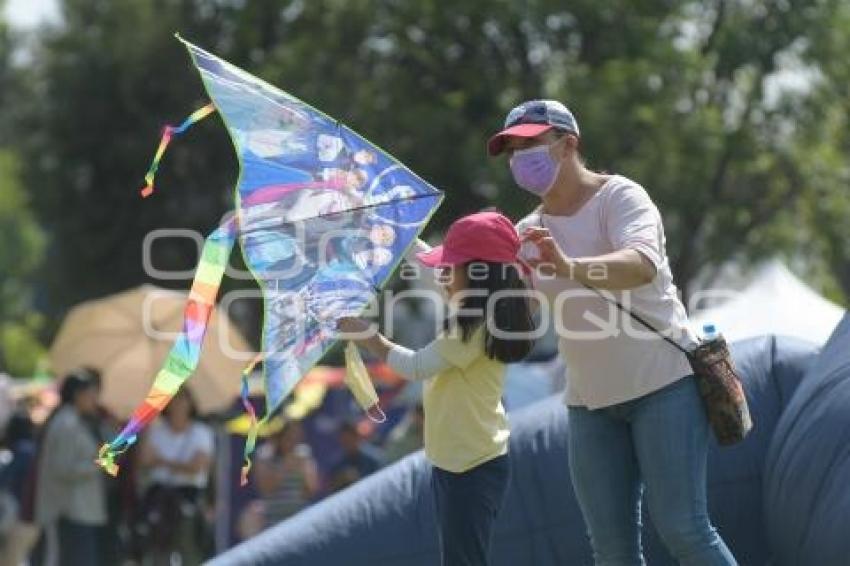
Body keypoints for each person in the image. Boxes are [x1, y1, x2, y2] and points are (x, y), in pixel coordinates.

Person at [488, 99, 737, 564]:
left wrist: (567, 265)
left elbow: (640, 266)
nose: (519, 160)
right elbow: (514, 316)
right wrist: (460, 283)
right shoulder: (525, 231)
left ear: (569, 145)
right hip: (589, 405)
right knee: (612, 552)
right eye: (511, 151)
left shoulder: (621, 197)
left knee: (685, 531)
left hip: (664, 386)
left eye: (530, 145)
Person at [340, 210, 534, 566]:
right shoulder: (476, 308)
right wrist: (396, 231)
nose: (443, 273)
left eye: (452, 266)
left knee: (463, 560)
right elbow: (431, 271)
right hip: (460, 462)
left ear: (479, 275)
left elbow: (414, 367)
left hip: (470, 468)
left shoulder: (472, 328)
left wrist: (368, 336)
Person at [34, 368, 107, 566]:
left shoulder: (75, 422)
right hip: (69, 512)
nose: (95, 399)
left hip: (79, 511)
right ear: (78, 395)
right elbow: (63, 469)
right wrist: (100, 463)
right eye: (91, 394)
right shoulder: (67, 424)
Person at [138, 388, 213, 566]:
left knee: (189, 550)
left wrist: (162, 461)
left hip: (188, 497)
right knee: (159, 551)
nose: (178, 405)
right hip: (159, 498)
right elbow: (145, 460)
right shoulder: (156, 431)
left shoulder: (201, 432)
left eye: (182, 400)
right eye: (174, 400)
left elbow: (197, 467)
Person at [253, 420, 319, 527]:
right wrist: (286, 466)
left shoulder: (304, 454)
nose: (292, 441)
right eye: (288, 437)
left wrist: (305, 471)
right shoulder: (264, 455)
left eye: (295, 437)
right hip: (273, 521)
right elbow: (265, 488)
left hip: (299, 518)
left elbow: (311, 489)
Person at [327, 421, 383, 492]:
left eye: (349, 440)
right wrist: (340, 480)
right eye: (344, 441)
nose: (347, 444)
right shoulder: (340, 463)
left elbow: (381, 481)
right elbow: (331, 488)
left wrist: (358, 478)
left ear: (356, 437)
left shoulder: (374, 458)